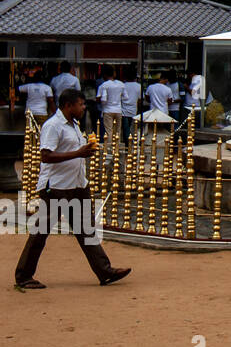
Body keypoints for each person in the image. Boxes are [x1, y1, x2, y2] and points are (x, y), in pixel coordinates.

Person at [13, 89, 131, 289]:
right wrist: (78, 153)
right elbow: (46, 156)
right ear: (69, 105)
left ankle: (104, 271)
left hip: (77, 184)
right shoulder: (53, 126)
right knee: (41, 232)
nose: (83, 108)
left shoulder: (74, 125)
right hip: (57, 186)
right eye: (81, 104)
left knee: (86, 230)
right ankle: (23, 275)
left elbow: (71, 153)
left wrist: (83, 153)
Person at [96, 67, 125, 153]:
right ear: (114, 74)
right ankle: (117, 148)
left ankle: (109, 148)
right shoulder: (121, 84)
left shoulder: (104, 85)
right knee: (118, 130)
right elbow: (125, 97)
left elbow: (101, 99)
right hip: (118, 110)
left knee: (109, 130)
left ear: (104, 75)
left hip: (108, 110)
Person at [121, 68, 141, 141]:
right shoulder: (139, 86)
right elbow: (139, 100)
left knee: (126, 129)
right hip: (134, 110)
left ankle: (127, 145)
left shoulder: (122, 85)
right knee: (133, 129)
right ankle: (131, 144)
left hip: (123, 111)